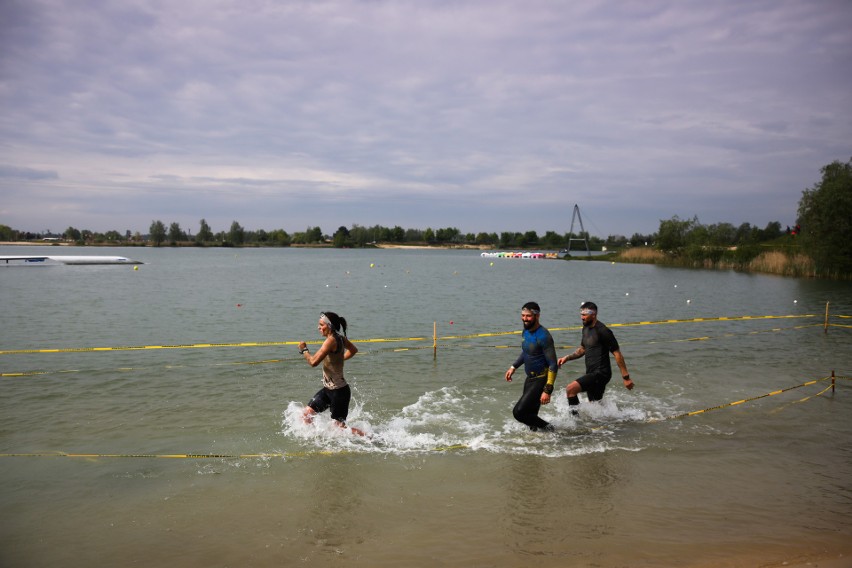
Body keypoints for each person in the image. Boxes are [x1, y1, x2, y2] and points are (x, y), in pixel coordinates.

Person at [557, 301, 634, 414]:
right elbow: (583, 349)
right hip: (591, 372)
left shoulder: (603, 331)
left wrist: (626, 378)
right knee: (596, 406)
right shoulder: (586, 328)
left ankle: (575, 423)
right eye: (581, 314)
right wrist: (567, 358)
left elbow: (617, 354)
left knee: (570, 389)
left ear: (593, 314)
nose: (582, 317)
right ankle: (612, 421)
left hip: (601, 373)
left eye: (584, 314)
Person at [298, 311, 365, 436]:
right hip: (328, 390)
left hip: (339, 392)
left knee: (339, 428)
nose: (319, 327)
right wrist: (339, 359)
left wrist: (304, 350)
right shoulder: (340, 338)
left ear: (329, 326)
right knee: (305, 415)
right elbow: (353, 350)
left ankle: (371, 438)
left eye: (321, 325)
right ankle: (317, 441)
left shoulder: (331, 341)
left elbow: (313, 362)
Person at [504, 302, 559, 432]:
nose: (524, 319)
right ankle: (536, 444)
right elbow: (527, 352)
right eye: (523, 315)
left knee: (519, 412)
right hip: (529, 378)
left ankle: (551, 429)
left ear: (537, 315)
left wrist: (548, 390)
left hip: (541, 379)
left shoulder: (544, 336)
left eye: (528, 316)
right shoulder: (526, 331)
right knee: (530, 417)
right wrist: (514, 367)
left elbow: (553, 364)